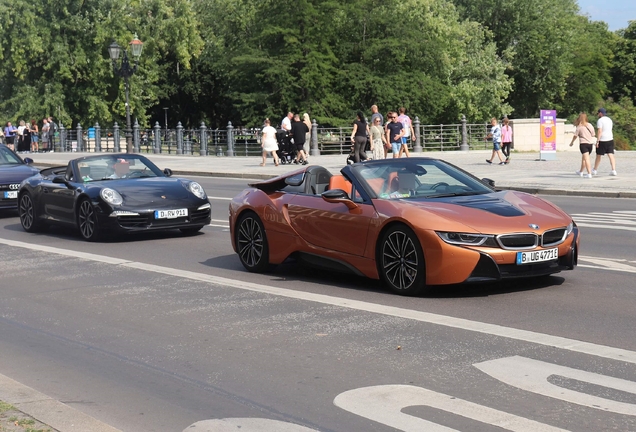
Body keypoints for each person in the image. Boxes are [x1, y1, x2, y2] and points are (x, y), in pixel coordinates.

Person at [569, 112, 595, 178]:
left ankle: (589, 173)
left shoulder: (579, 127)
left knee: (586, 159)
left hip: (583, 144)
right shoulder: (590, 125)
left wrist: (572, 142)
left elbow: (575, 136)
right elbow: (593, 134)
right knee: (584, 158)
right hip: (590, 144)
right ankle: (581, 171)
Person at [592, 108, 617, 176]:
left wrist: (597, 141)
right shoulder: (609, 120)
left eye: (598, 113)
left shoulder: (600, 120)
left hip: (603, 139)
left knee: (598, 155)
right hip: (610, 138)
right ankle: (613, 169)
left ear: (600, 113)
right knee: (610, 154)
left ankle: (595, 169)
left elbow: (600, 131)